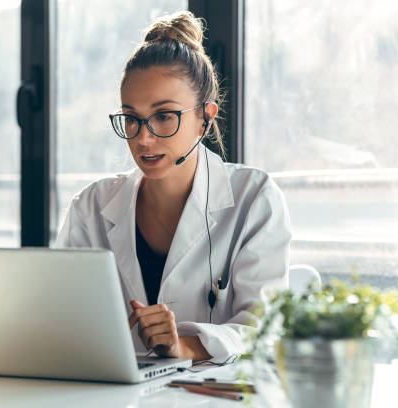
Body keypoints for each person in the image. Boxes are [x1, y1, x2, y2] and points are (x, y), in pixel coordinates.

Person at [54, 11, 291, 364]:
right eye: (131, 118)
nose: (143, 138)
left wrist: (185, 346)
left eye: (164, 115)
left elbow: (267, 328)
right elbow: (57, 319)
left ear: (205, 117)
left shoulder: (254, 197)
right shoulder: (89, 206)